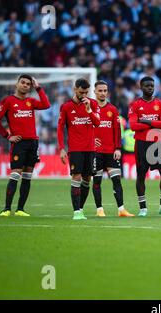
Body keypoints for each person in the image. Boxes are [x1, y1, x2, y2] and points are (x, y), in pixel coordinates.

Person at [0, 74, 50, 217]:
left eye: (28, 84)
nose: (25, 85)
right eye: (22, 82)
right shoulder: (8, 101)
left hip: (33, 143)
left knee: (27, 176)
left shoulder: (31, 101)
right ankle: (6, 209)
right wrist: (7, 136)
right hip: (19, 143)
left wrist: (38, 88)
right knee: (15, 174)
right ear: (16, 84)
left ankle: (20, 209)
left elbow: (46, 105)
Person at [57, 78, 101, 220]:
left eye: (86, 92)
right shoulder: (66, 107)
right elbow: (60, 128)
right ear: (75, 89)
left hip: (90, 148)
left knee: (87, 179)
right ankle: (76, 211)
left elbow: (97, 123)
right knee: (76, 176)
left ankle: (80, 208)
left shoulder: (93, 104)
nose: (84, 95)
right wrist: (62, 148)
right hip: (75, 148)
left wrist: (89, 110)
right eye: (81, 92)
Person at [128, 76, 161, 217]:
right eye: (147, 86)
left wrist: (145, 120)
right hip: (141, 143)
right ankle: (143, 208)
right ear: (141, 87)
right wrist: (154, 121)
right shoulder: (135, 105)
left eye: (152, 86)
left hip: (158, 143)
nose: (150, 88)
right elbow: (133, 126)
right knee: (141, 175)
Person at [92, 80, 133, 217]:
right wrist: (91, 141)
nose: (103, 93)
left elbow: (117, 131)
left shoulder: (113, 110)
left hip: (111, 151)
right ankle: (99, 210)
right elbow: (84, 128)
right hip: (96, 152)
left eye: (105, 90)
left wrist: (118, 148)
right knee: (97, 181)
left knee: (116, 180)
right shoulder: (90, 109)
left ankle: (121, 209)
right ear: (95, 92)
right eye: (100, 90)